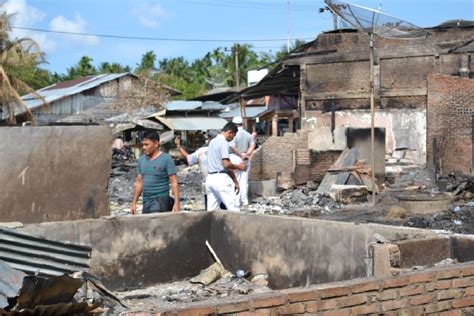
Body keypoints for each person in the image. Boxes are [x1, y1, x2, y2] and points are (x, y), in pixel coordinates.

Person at [175, 130, 240, 210]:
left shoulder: (201, 151)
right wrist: (235, 181)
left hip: (208, 182)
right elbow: (227, 168)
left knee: (211, 210)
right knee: (229, 208)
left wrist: (179, 147)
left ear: (209, 139)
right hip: (222, 181)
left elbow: (189, 159)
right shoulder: (222, 148)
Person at [131, 130, 180, 214]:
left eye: (147, 144)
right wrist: (134, 202)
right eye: (143, 144)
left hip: (161, 199)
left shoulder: (166, 159)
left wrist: (177, 203)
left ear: (156, 144)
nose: (144, 147)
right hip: (146, 200)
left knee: (155, 224)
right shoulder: (142, 160)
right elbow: (139, 182)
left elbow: (174, 181)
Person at [206, 122, 246, 211]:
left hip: (210, 178)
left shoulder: (212, 142)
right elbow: (226, 164)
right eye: (233, 136)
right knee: (234, 208)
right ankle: (237, 225)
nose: (232, 139)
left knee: (212, 211)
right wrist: (239, 167)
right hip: (220, 179)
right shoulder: (223, 142)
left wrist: (235, 181)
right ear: (230, 132)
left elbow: (225, 167)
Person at [230, 116, 256, 206]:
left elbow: (233, 147)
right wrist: (246, 154)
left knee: (235, 180)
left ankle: (236, 201)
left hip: (235, 158)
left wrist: (240, 154)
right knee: (244, 181)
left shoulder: (233, 134)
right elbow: (252, 145)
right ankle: (244, 201)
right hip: (245, 159)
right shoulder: (247, 134)